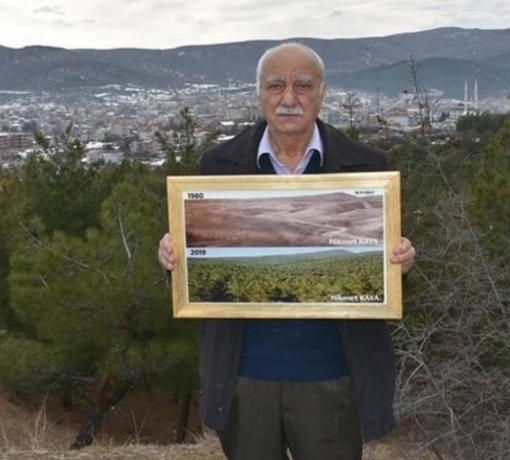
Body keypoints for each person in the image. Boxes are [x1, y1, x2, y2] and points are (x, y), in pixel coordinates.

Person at [158, 42, 416, 460]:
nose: (289, 99)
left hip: (333, 376)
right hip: (243, 377)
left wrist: (402, 263)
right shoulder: (217, 165)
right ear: (259, 92)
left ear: (322, 92)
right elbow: (200, 265)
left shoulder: (370, 167)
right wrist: (173, 259)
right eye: (276, 86)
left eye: (302, 85)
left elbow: (390, 265)